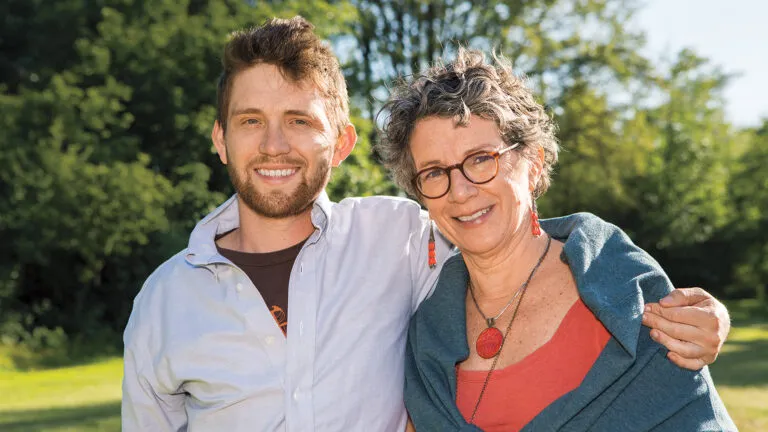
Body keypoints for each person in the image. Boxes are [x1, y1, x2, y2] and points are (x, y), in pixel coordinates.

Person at [122, 17, 731, 431]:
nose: (275, 144)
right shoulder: (163, 303)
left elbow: (522, 236)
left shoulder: (399, 238)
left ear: (340, 144)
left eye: (301, 120)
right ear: (219, 140)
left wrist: (712, 316)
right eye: (251, 120)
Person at [377, 48, 735, 431]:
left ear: (532, 164)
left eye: (481, 159)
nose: (460, 191)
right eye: (433, 172)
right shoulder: (425, 337)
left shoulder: (618, 287)